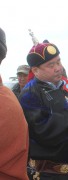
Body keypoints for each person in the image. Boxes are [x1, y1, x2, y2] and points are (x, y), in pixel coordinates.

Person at [19, 41, 68, 180]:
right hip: (50, 175)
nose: (58, 68)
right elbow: (46, 132)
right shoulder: (30, 94)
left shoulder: (67, 88)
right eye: (51, 65)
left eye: (58, 61)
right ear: (35, 70)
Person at [0, 27, 29, 179]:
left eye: (24, 75)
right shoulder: (10, 94)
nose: (21, 78)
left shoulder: (6, 102)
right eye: (19, 76)